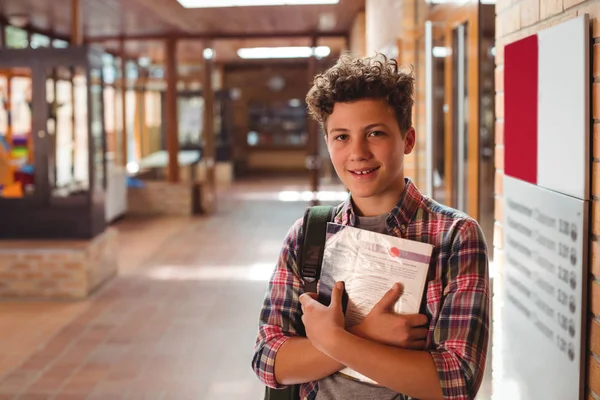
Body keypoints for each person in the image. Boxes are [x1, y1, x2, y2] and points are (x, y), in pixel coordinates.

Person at [252, 53, 490, 400]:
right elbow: (268, 360)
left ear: (407, 140)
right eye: (341, 137)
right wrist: (364, 334)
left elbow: (456, 380)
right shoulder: (309, 234)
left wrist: (334, 339)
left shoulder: (455, 236)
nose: (358, 152)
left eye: (375, 133)